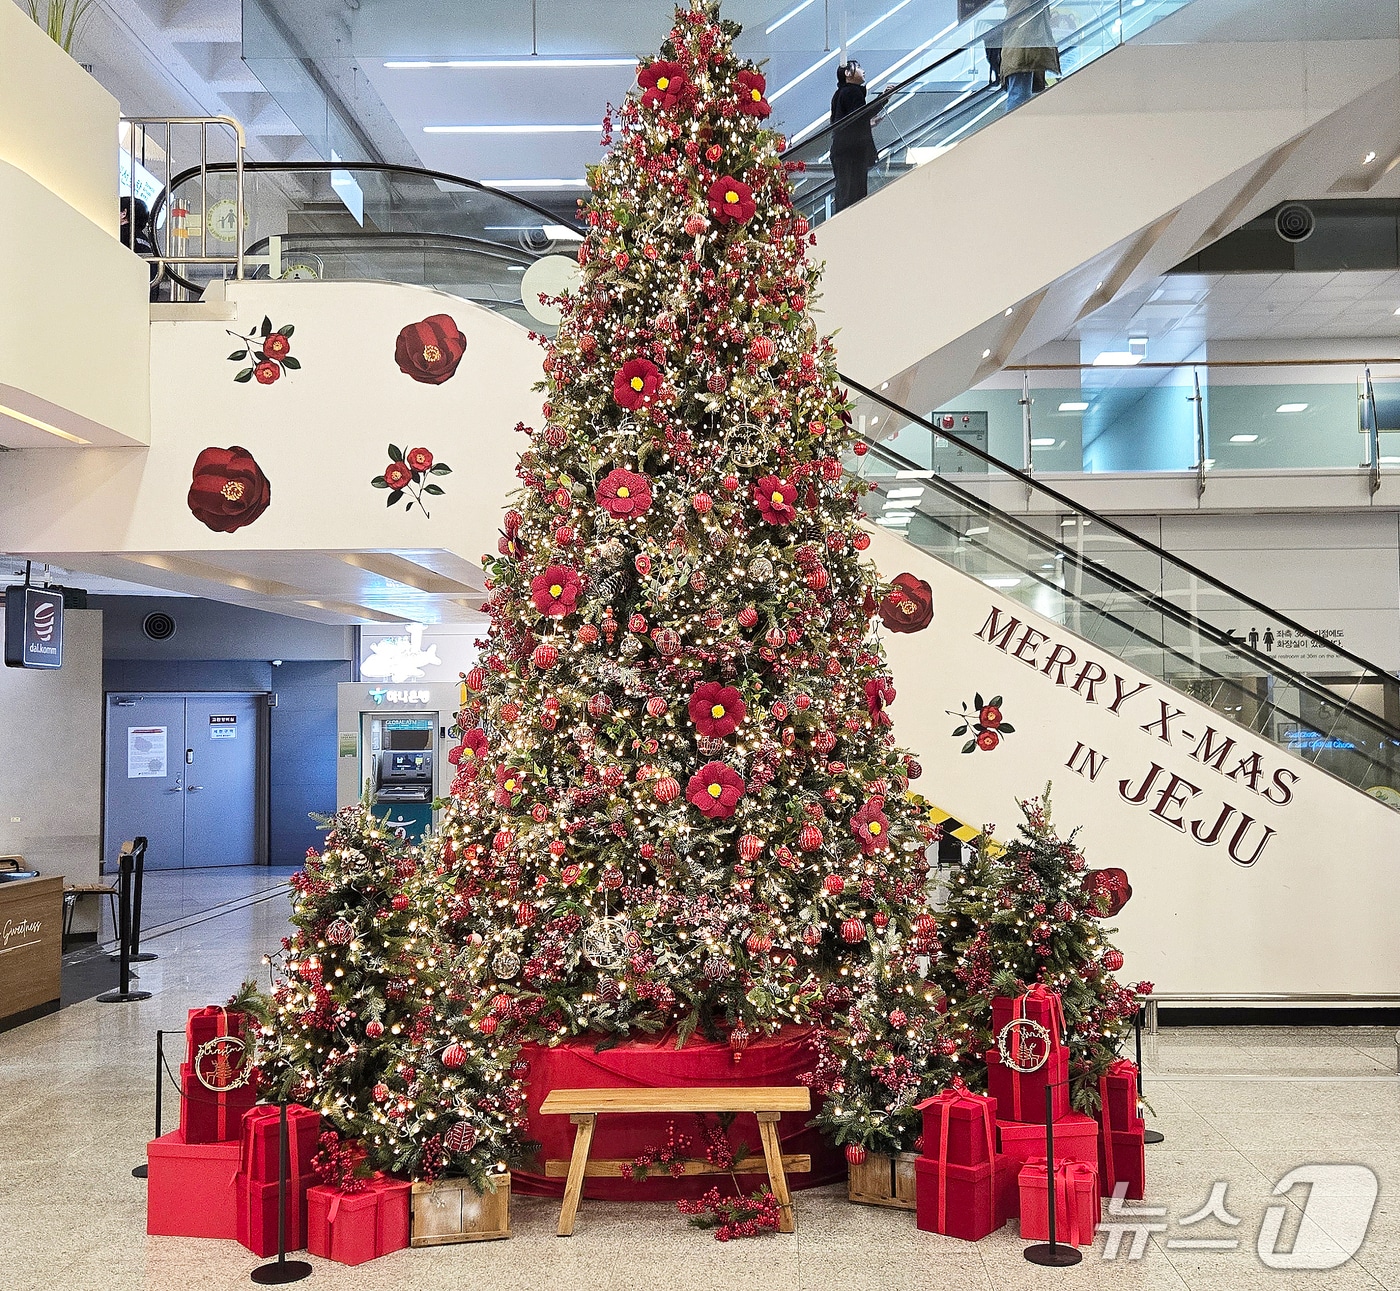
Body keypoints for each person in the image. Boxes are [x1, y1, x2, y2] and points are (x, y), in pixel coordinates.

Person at [830, 60, 878, 214]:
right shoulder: (852, 92)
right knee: (855, 196)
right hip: (853, 153)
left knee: (844, 193)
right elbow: (861, 114)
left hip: (842, 151)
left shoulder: (839, 93)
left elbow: (843, 121)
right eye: (858, 67)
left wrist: (867, 123)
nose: (863, 71)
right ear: (848, 73)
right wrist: (884, 99)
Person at [1000, 0, 1060, 110]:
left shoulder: (1018, 7)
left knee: (1020, 95)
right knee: (1020, 97)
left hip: (1022, 52)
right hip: (1023, 52)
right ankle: (1016, 121)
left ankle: (1016, 120)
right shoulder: (1024, 7)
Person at [119, 196, 164, 301]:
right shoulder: (147, 241)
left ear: (124, 213)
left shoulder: (119, 235)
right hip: (147, 296)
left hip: (126, 297)